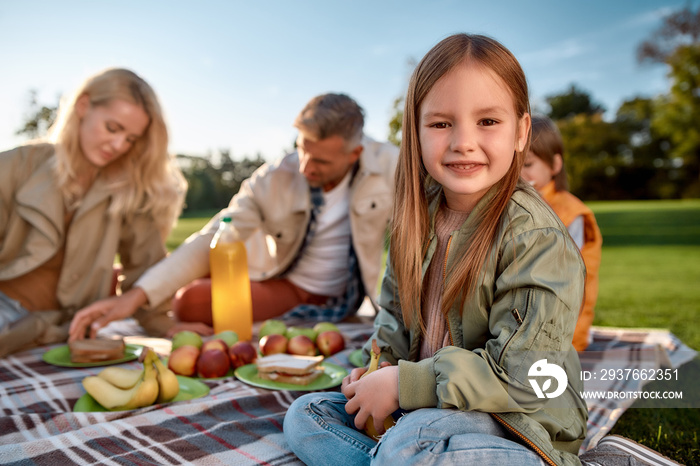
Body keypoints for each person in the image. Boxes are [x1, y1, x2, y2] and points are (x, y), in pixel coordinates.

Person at [283, 33, 588, 466]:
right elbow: (393, 317)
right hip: (424, 410)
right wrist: (378, 369)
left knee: (408, 444)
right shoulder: (414, 217)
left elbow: (524, 378)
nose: (463, 141)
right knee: (306, 416)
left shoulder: (535, 237)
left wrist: (403, 386)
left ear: (521, 131)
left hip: (513, 421)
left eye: (487, 122)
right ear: (416, 131)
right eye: (442, 123)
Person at [69, 92, 399, 340]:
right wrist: (137, 297)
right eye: (301, 150)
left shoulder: (393, 166)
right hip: (273, 273)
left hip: (321, 293)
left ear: (354, 153)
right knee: (147, 284)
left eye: (321, 163)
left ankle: (137, 284)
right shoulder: (273, 177)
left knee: (191, 303)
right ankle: (132, 285)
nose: (304, 168)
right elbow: (215, 236)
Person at [0, 68, 187, 357]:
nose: (119, 146)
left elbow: (144, 268)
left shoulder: (127, 189)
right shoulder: (15, 167)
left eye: (131, 139)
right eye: (113, 128)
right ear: (83, 106)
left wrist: (165, 326)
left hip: (69, 329)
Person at [521, 115, 602, 351]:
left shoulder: (570, 213)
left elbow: (560, 279)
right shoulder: (518, 206)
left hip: (561, 334)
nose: (519, 174)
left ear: (555, 165)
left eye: (527, 165)